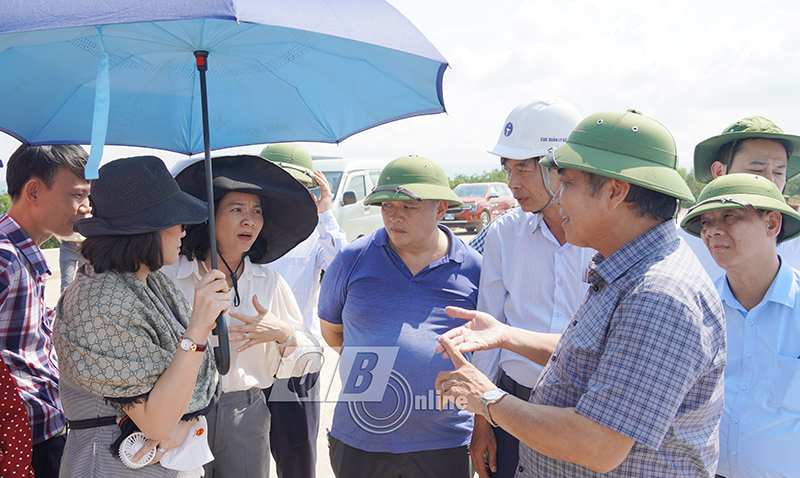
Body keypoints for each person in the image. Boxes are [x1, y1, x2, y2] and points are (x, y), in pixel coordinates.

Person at [436, 109, 726, 477]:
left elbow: (597, 445)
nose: (558, 199)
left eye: (568, 184)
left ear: (615, 191)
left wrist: (487, 398)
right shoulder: (626, 269)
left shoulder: (659, 296)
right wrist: (507, 336)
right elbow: (599, 358)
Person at [53, 156, 229, 477]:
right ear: (146, 229)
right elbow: (157, 422)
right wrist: (198, 328)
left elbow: (189, 385)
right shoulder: (100, 302)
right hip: (111, 466)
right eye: (175, 220)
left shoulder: (149, 281)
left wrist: (187, 420)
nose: (183, 230)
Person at [318, 155, 482, 478]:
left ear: (440, 209)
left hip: (445, 444)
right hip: (360, 442)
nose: (395, 217)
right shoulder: (352, 259)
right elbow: (333, 334)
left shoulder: (474, 269)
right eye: (387, 207)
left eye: (408, 207)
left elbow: (488, 354)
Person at [165, 154, 322, 478]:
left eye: (257, 211)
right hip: (180, 413)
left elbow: (312, 359)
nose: (249, 220)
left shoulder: (269, 283)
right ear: (208, 216)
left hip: (246, 413)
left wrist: (284, 334)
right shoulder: (169, 278)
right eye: (237, 209)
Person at [467, 96, 595, 478]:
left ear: (561, 166)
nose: (512, 183)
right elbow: (489, 326)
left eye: (523, 168)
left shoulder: (605, 236)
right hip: (512, 405)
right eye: (507, 168)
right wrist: (482, 420)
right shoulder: (504, 234)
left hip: (584, 413)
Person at [680, 174, 800, 478]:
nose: (712, 231)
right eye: (705, 222)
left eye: (729, 216)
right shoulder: (694, 307)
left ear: (772, 224)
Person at [0, 144, 90, 478]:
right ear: (34, 191)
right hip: (20, 442)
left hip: (39, 429)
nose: (85, 208)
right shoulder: (5, 258)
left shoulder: (23, 255)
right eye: (77, 195)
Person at [259, 143, 347, 478]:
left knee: (297, 456)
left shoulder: (314, 230)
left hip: (294, 359)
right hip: (242, 360)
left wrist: (325, 213)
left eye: (293, 183)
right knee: (239, 455)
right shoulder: (240, 222)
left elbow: (341, 269)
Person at [684, 116, 800, 279]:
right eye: (756, 171)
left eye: (779, 173)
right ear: (719, 172)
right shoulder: (684, 244)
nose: (770, 182)